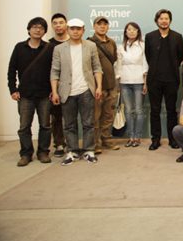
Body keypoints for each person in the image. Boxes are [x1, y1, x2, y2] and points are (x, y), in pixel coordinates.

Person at [50, 18, 103, 165]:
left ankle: (88, 150)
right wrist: (55, 92)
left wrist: (98, 86)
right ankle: (72, 151)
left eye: (78, 29)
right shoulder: (59, 49)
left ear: (83, 30)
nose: (75, 31)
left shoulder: (91, 46)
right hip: (67, 91)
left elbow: (97, 67)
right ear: (68, 30)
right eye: (72, 28)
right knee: (69, 124)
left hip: (86, 90)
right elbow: (55, 72)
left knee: (88, 123)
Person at [8, 17, 54, 166]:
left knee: (45, 126)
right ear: (29, 29)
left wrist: (54, 90)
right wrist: (13, 89)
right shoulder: (19, 47)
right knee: (24, 127)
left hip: (45, 94)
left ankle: (43, 151)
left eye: (41, 27)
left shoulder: (49, 48)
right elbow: (11, 69)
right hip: (25, 94)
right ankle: (26, 153)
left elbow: (54, 71)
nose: (37, 29)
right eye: (34, 27)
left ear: (45, 31)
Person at [145, 9, 183, 151]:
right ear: (157, 21)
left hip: (172, 79)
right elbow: (148, 56)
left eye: (166, 18)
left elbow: (180, 57)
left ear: (170, 20)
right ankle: (155, 139)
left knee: (171, 110)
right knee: (154, 110)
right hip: (154, 79)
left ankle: (173, 139)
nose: (164, 21)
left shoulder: (177, 37)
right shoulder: (150, 37)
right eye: (161, 18)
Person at [88, 16, 120, 154]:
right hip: (97, 87)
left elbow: (114, 62)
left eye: (105, 24)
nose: (102, 27)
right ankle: (95, 143)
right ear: (94, 26)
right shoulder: (89, 43)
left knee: (108, 115)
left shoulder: (112, 42)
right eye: (99, 24)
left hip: (111, 85)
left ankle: (106, 139)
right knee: (95, 116)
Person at [115, 22, 148, 148]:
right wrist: (118, 81)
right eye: (129, 29)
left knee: (139, 110)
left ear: (138, 32)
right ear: (125, 32)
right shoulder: (121, 47)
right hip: (125, 82)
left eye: (134, 30)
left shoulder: (143, 46)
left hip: (139, 81)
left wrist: (145, 83)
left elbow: (145, 64)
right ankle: (131, 136)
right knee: (128, 111)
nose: (132, 32)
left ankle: (138, 137)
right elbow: (118, 65)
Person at [48, 13, 69, 157]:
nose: (58, 25)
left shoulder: (75, 41)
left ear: (66, 24)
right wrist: (52, 89)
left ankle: (72, 143)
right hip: (56, 88)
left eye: (61, 22)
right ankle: (59, 144)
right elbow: (48, 69)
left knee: (71, 117)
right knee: (56, 117)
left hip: (74, 86)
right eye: (55, 23)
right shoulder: (48, 45)